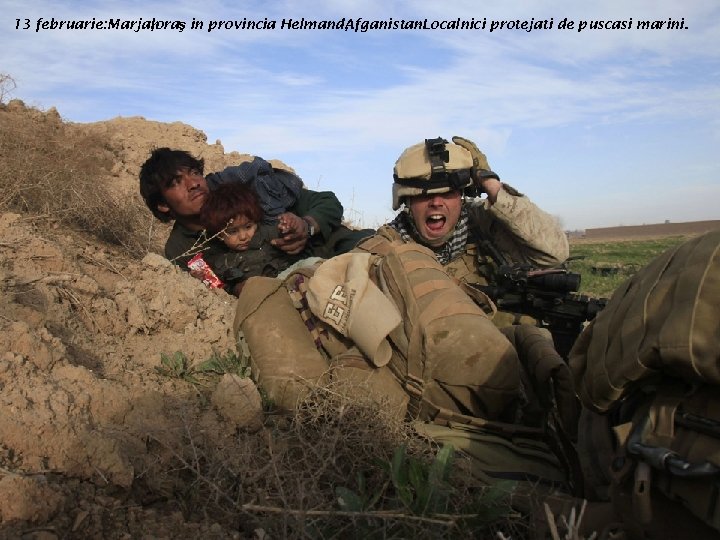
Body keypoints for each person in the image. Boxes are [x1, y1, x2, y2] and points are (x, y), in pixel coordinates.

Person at [138, 147, 373, 280]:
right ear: (163, 205)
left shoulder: (244, 189)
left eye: (194, 173)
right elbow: (215, 291)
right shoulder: (180, 250)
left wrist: (307, 226)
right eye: (176, 182)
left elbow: (327, 202)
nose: (193, 184)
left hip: (335, 249)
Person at [197, 181, 316, 295]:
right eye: (233, 231)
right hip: (265, 294)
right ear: (219, 235)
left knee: (312, 264)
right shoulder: (222, 262)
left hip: (291, 279)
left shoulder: (267, 234)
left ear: (256, 222)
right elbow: (224, 288)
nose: (243, 236)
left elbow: (289, 235)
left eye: (248, 227)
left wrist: (290, 226)